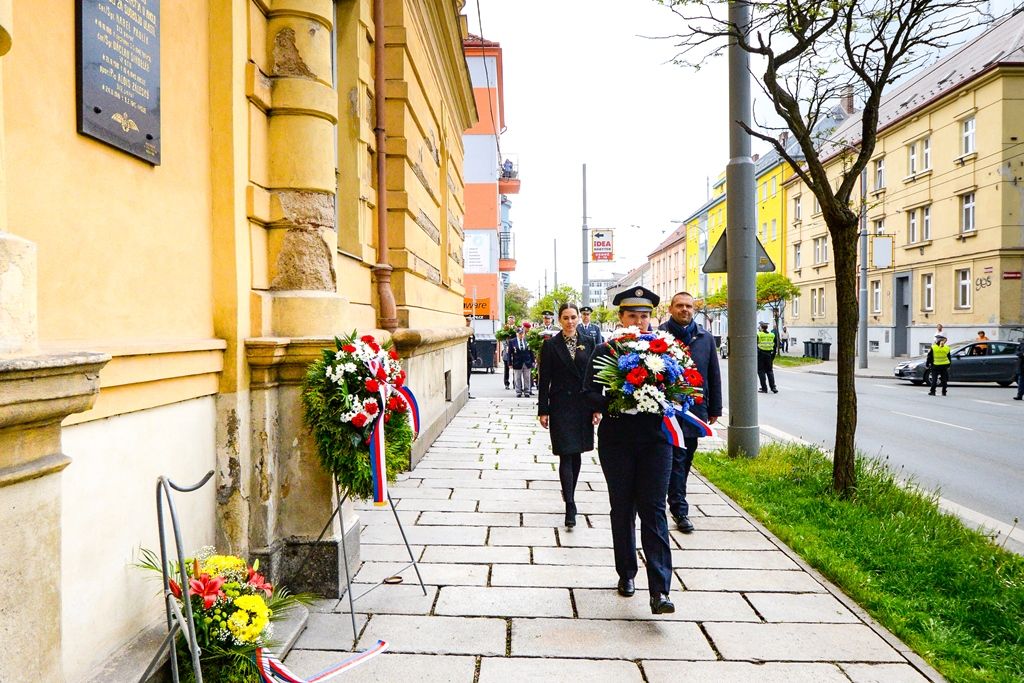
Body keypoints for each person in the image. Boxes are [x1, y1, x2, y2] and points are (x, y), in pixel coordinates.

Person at [584, 286, 676, 615]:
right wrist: (617, 398)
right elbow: (589, 393)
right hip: (618, 440)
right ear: (621, 317)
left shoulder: (666, 350)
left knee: (653, 509)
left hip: (655, 440)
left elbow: (683, 386)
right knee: (622, 508)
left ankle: (661, 590)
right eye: (632, 316)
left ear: (652, 318)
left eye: (645, 316)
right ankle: (626, 573)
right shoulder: (605, 351)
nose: (639, 322)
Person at [659, 292, 722, 534]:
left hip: (695, 409)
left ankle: (675, 497)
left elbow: (713, 374)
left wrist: (715, 407)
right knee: (674, 458)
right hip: (667, 410)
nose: (684, 310)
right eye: (679, 306)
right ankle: (679, 509)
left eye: (688, 306)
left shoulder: (704, 337)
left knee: (686, 459)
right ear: (671, 308)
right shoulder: (661, 336)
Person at [538, 303, 597, 529]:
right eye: (566, 318)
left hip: (583, 406)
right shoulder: (551, 345)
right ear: (559, 320)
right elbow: (544, 380)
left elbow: (595, 376)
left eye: (573, 317)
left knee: (577, 453)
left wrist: (597, 407)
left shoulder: (589, 342)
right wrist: (543, 410)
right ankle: (570, 504)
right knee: (565, 454)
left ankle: (569, 492)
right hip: (561, 406)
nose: (570, 321)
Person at [509, 328, 534, 397]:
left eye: (522, 333)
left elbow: (531, 352)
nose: (521, 335)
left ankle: (527, 391)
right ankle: (518, 391)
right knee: (517, 377)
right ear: (517, 334)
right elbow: (509, 353)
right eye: (519, 333)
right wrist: (510, 363)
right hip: (517, 362)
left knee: (527, 377)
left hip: (527, 361)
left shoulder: (527, 340)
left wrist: (533, 361)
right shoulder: (512, 341)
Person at [756, 321, 779, 394]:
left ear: (761, 327)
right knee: (770, 371)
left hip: (761, 355)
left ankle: (764, 388)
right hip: (769, 354)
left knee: (761, 371)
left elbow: (754, 345)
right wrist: (773, 356)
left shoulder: (758, 334)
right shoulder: (772, 335)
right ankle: (773, 387)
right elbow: (775, 346)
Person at [503, 314, 515, 390]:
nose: (510, 321)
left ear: (514, 321)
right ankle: (506, 383)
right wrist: (506, 347)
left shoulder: (516, 329)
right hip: (506, 351)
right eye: (509, 320)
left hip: (514, 351)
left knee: (515, 368)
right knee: (506, 368)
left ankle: (515, 383)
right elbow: (503, 339)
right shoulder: (505, 329)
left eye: (512, 320)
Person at [466, 317, 477, 399]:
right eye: (467, 321)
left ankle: (468, 391)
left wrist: (475, 357)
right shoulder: (463, 331)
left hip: (470, 357)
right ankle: (466, 392)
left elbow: (474, 345)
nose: (468, 322)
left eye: (469, 321)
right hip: (466, 357)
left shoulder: (471, 332)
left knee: (469, 374)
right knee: (466, 375)